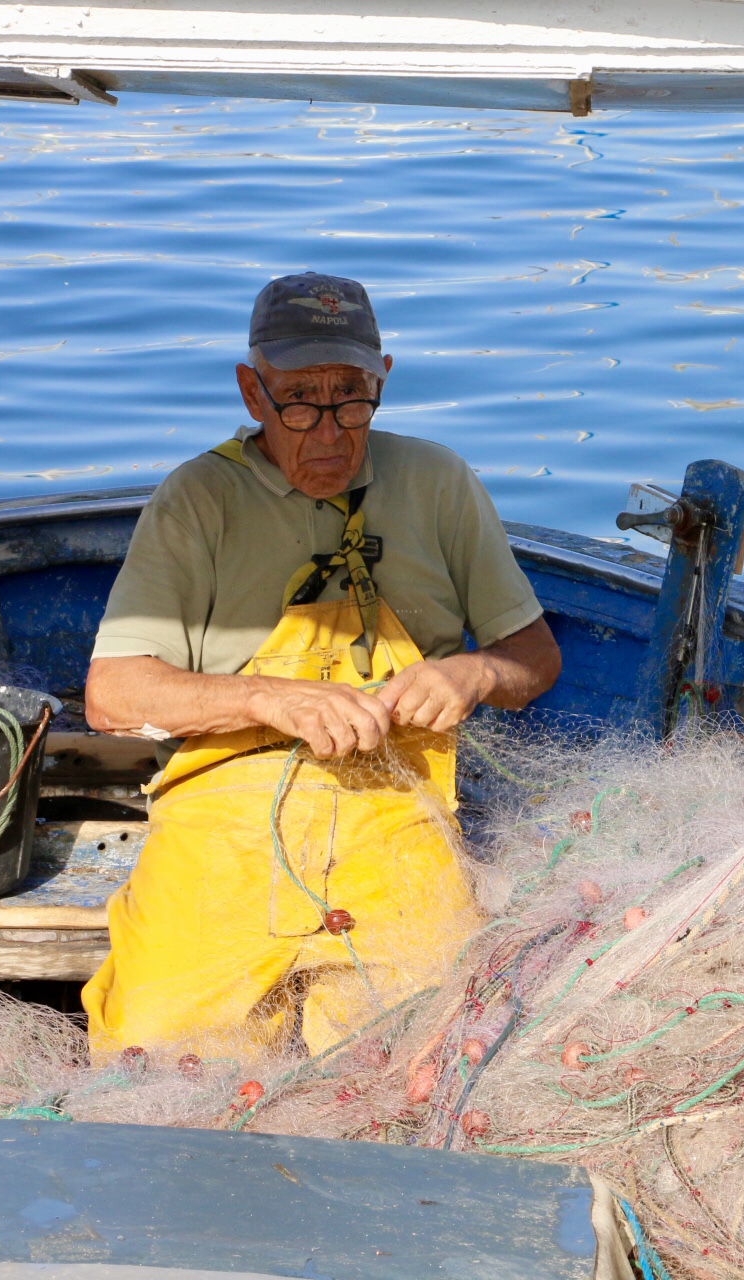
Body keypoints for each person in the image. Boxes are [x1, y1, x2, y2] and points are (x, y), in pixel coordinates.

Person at [79, 271, 562, 1059]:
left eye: (351, 398)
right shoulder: (197, 498)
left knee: (421, 1050)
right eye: (300, 401)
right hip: (225, 813)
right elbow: (113, 694)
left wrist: (473, 675)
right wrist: (270, 699)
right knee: (163, 1053)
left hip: (398, 803)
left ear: (383, 382)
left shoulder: (439, 481)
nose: (330, 430)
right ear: (253, 392)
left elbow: (534, 659)